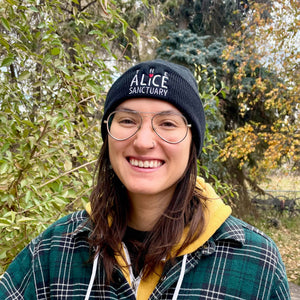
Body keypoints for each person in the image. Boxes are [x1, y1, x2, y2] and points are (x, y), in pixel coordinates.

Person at [0, 59, 291, 300]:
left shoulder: (255, 261)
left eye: (167, 123)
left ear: (193, 144)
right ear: (108, 135)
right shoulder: (55, 250)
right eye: (127, 120)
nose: (143, 141)